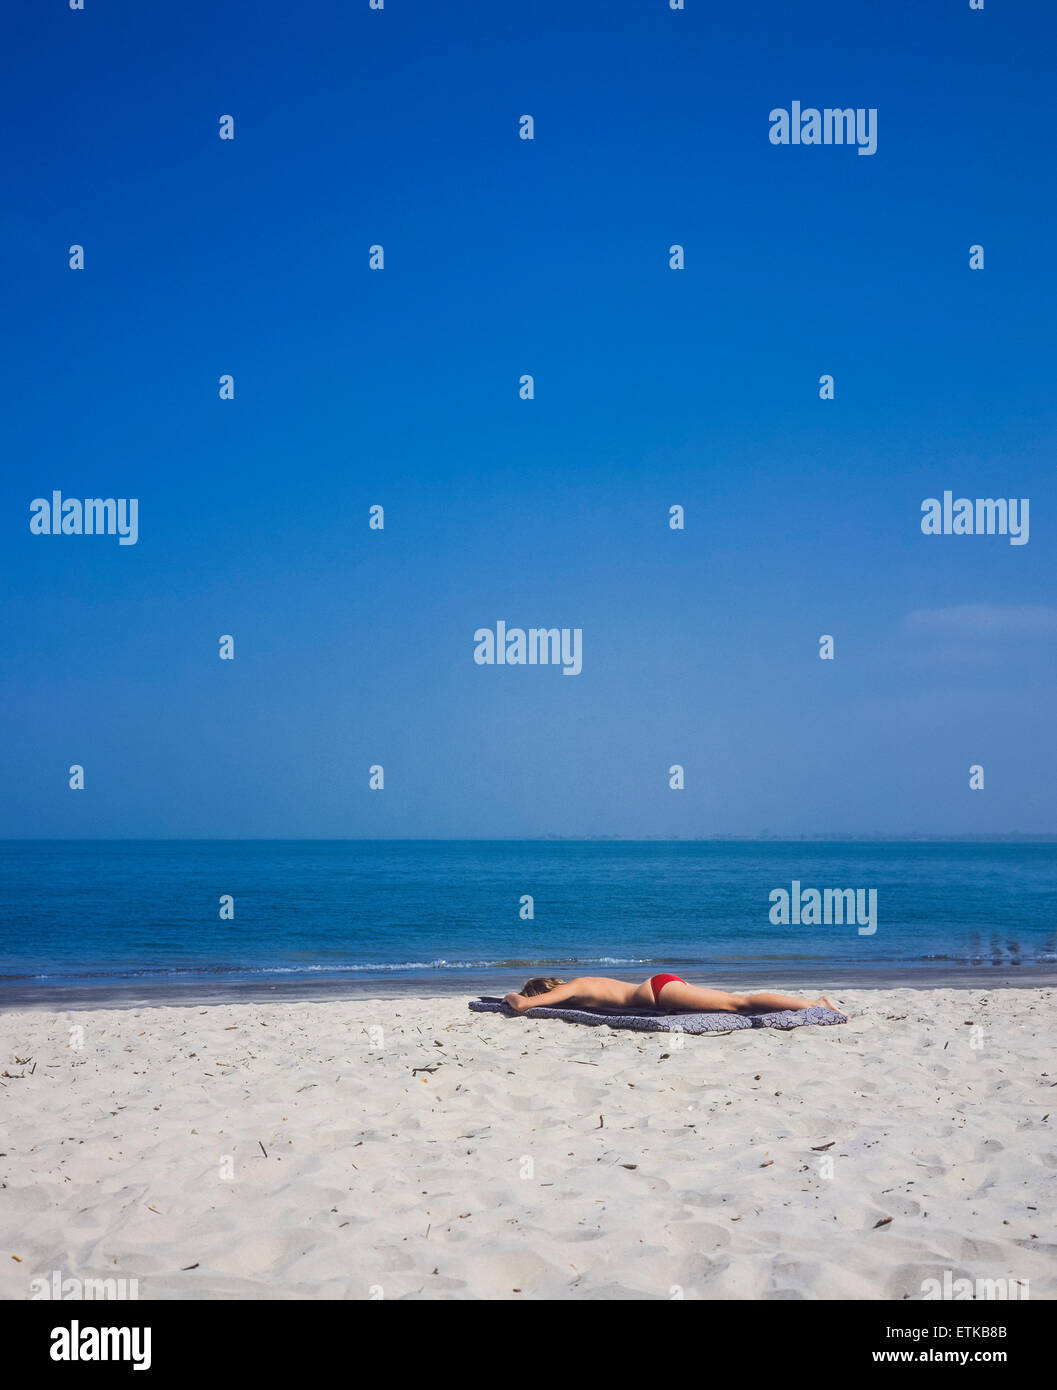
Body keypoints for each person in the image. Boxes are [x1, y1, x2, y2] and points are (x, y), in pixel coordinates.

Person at [502, 973, 840, 1014]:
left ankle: (815, 1004)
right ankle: (811, 1003)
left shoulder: (572, 987)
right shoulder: (578, 987)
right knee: (736, 1003)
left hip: (658, 992)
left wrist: (508, 998)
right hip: (659, 988)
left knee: (740, 1004)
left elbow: (523, 1005)